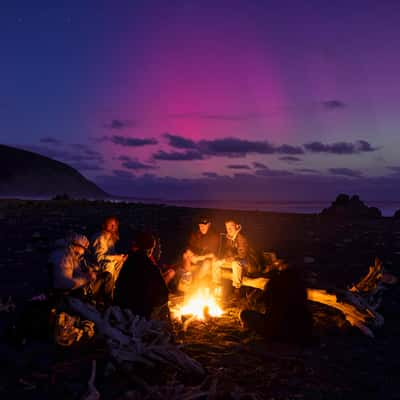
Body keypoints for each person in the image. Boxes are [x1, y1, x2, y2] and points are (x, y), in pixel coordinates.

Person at [239, 268, 313, 345]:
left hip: (277, 330)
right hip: (302, 330)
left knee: (244, 314)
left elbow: (264, 304)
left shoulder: (273, 284)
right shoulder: (300, 287)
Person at [114, 232, 169, 319]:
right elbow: (163, 294)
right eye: (154, 248)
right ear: (150, 249)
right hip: (142, 312)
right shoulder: (150, 267)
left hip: (123, 308)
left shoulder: (128, 262)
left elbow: (119, 287)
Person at [48, 233, 113, 306]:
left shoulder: (71, 254)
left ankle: (101, 304)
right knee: (107, 277)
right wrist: (87, 278)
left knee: (105, 276)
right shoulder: (63, 257)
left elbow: (75, 273)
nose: (84, 251)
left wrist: (89, 271)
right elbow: (64, 283)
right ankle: (106, 306)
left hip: (77, 289)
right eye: (84, 249)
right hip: (69, 295)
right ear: (77, 246)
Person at [212, 219, 258, 296]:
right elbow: (228, 252)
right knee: (216, 263)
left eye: (231, 226)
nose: (229, 229)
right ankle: (216, 285)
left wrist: (226, 259)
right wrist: (223, 258)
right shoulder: (230, 238)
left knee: (236, 263)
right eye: (227, 227)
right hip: (234, 259)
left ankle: (237, 289)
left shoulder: (241, 238)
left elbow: (242, 255)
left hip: (246, 261)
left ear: (237, 226)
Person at [90, 216, 128, 284]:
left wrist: (121, 258)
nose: (113, 227)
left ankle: (113, 285)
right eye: (110, 224)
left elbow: (112, 253)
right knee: (110, 264)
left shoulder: (110, 239)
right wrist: (115, 257)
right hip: (98, 268)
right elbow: (99, 258)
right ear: (104, 225)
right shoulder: (99, 238)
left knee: (121, 263)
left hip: (107, 269)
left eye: (114, 225)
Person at [182, 216, 219, 283]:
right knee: (185, 255)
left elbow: (212, 254)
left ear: (209, 225)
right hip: (196, 257)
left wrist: (198, 258)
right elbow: (189, 246)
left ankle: (197, 280)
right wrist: (189, 252)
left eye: (204, 225)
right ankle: (187, 279)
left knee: (207, 263)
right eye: (200, 225)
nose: (202, 227)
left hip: (206, 259)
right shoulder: (196, 234)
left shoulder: (214, 235)